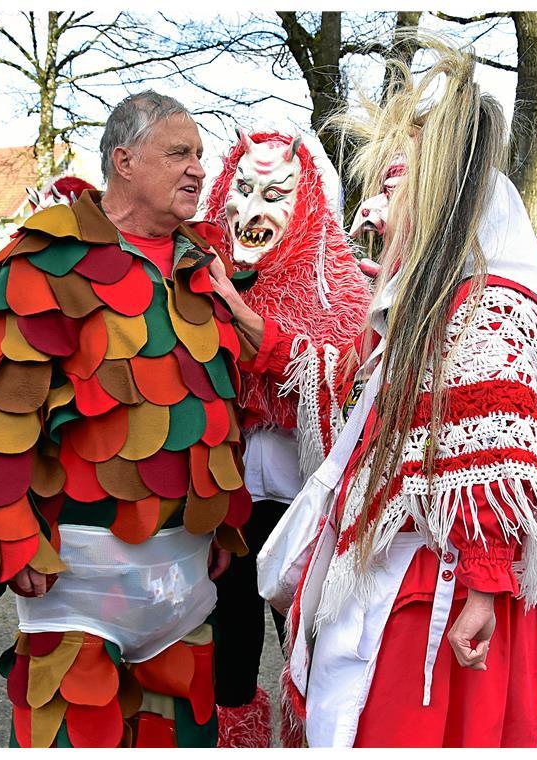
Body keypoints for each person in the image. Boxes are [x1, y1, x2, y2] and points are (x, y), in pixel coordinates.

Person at [211, 43, 537, 748]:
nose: (379, 207)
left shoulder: (491, 307)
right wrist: (254, 328)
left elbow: (494, 458)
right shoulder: (428, 304)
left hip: (433, 586)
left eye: (396, 184)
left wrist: (481, 581)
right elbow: (352, 383)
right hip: (399, 570)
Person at [0, 90, 252, 748]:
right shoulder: (48, 257)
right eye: (179, 153)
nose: (198, 169)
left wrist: (220, 521)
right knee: (74, 728)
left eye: (201, 156)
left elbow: (218, 409)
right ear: (125, 161)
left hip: (183, 576)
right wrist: (10, 533)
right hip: (80, 574)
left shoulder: (205, 268)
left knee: (179, 737)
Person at [201, 129, 371, 747]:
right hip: (232, 492)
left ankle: (306, 736)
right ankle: (236, 737)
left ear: (304, 205)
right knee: (231, 632)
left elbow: (352, 379)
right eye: (242, 189)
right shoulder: (203, 271)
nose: (252, 210)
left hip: (306, 495)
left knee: (306, 638)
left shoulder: (339, 280)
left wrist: (268, 343)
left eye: (275, 194)